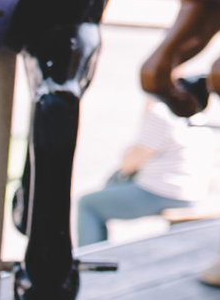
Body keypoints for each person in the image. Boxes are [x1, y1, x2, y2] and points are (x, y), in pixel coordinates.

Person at [74, 100, 194, 246]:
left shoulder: (161, 113)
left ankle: (91, 260)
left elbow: (129, 164)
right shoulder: (193, 110)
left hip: (163, 193)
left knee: (87, 204)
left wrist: (147, 112)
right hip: (189, 190)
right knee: (110, 187)